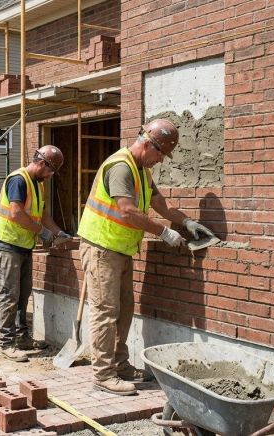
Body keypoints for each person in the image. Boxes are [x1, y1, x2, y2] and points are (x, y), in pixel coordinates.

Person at [78, 119, 216, 396]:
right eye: (161, 154)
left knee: (125, 309)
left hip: (121, 248)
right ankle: (103, 375)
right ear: (147, 144)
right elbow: (127, 211)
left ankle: (120, 364)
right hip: (102, 247)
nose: (161, 160)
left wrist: (186, 222)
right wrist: (164, 232)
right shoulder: (121, 167)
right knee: (106, 312)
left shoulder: (141, 169)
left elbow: (159, 203)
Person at [0, 145, 72, 362]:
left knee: (23, 294)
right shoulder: (18, 180)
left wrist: (58, 231)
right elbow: (16, 214)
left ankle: (22, 337)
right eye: (51, 170)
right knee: (9, 295)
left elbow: (41, 213)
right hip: (7, 243)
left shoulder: (37, 184)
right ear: (42, 163)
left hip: (23, 245)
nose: (51, 175)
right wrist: (43, 233)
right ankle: (6, 343)